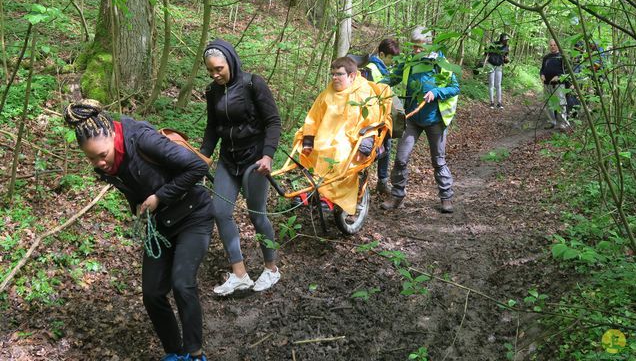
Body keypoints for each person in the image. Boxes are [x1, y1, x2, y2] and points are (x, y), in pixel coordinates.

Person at [63, 100, 213, 361]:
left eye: (102, 155)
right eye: (91, 158)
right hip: (160, 224)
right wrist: (140, 208)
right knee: (152, 293)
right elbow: (133, 183)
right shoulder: (107, 161)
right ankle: (174, 353)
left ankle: (195, 353)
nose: (99, 163)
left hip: (193, 214)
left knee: (182, 283)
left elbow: (198, 167)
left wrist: (160, 197)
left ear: (112, 134)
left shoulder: (142, 140)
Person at [200, 39, 281, 296]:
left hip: (254, 160)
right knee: (220, 212)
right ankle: (240, 275)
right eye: (211, 71)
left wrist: (267, 156)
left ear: (231, 62)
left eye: (219, 69)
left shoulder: (252, 84)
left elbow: (273, 122)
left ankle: (271, 269)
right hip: (228, 159)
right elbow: (212, 128)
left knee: (257, 215)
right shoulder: (212, 92)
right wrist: (203, 157)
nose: (215, 74)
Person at [298, 56, 391, 214]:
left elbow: (373, 121)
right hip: (325, 136)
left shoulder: (363, 93)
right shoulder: (327, 93)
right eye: (333, 74)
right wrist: (308, 139)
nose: (334, 77)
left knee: (340, 154)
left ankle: (332, 196)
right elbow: (313, 117)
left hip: (351, 140)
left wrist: (366, 144)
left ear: (352, 76)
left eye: (339, 74)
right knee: (318, 149)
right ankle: (318, 191)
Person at [383, 26, 460, 213]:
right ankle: (397, 196)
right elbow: (393, 78)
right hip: (412, 118)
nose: (416, 50)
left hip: (435, 119)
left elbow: (454, 87)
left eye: (420, 47)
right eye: (414, 46)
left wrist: (436, 91)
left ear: (428, 44)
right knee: (401, 158)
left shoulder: (440, 62)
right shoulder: (409, 61)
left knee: (438, 161)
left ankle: (446, 197)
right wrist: (373, 84)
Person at [362, 38, 400, 195]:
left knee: (386, 148)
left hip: (384, 117)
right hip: (373, 119)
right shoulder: (370, 69)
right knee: (370, 150)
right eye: (391, 58)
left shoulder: (384, 69)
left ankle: (382, 182)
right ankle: (361, 182)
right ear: (382, 54)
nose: (392, 62)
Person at [540, 39, 570, 130]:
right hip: (547, 84)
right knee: (549, 104)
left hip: (558, 84)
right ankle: (551, 122)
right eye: (551, 45)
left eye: (554, 45)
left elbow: (567, 71)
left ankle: (563, 123)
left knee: (561, 103)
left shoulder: (562, 57)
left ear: (558, 46)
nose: (552, 47)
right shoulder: (546, 57)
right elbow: (542, 69)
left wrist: (559, 76)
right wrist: (542, 75)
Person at [484, 32, 510, 109]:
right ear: (501, 39)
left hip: (499, 66)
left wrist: (506, 60)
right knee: (491, 84)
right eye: (505, 39)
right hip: (491, 65)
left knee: (498, 85)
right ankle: (491, 102)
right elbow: (486, 52)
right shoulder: (494, 44)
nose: (506, 41)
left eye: (507, 40)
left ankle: (499, 103)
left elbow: (505, 58)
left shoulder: (506, 48)